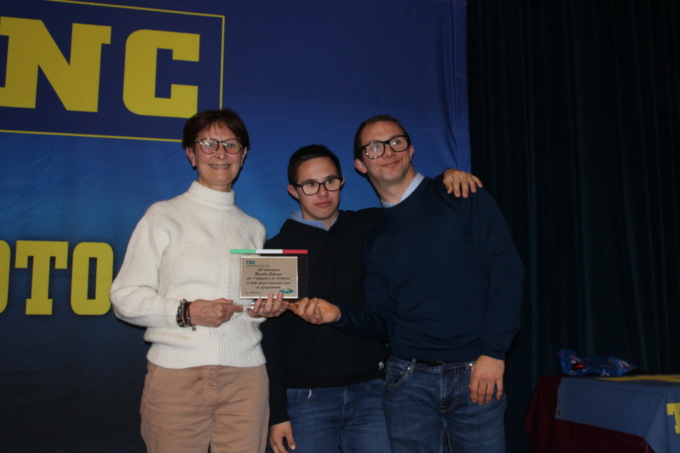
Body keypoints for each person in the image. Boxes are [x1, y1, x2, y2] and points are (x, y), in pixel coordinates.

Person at [292, 115, 524, 453]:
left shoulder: (461, 194)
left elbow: (507, 274)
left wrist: (494, 352)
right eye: (374, 147)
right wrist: (338, 315)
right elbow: (383, 319)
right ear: (360, 165)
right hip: (407, 383)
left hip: (476, 374)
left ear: (410, 150)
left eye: (396, 142)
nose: (388, 151)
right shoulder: (374, 236)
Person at [261, 144, 482, 453]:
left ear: (342, 182)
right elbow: (270, 339)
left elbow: (412, 202)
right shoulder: (276, 251)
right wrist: (277, 413)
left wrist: (446, 176)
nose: (322, 192)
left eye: (330, 181)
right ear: (293, 190)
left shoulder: (368, 226)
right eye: (310, 184)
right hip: (305, 400)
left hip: (371, 393)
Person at [110, 109, 287, 453]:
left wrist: (262, 310)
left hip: (246, 378)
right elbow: (124, 298)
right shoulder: (163, 216)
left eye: (231, 145)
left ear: (243, 155)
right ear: (191, 154)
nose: (221, 153)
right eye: (209, 144)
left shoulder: (253, 228)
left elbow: (248, 308)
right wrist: (187, 312)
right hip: (177, 376)